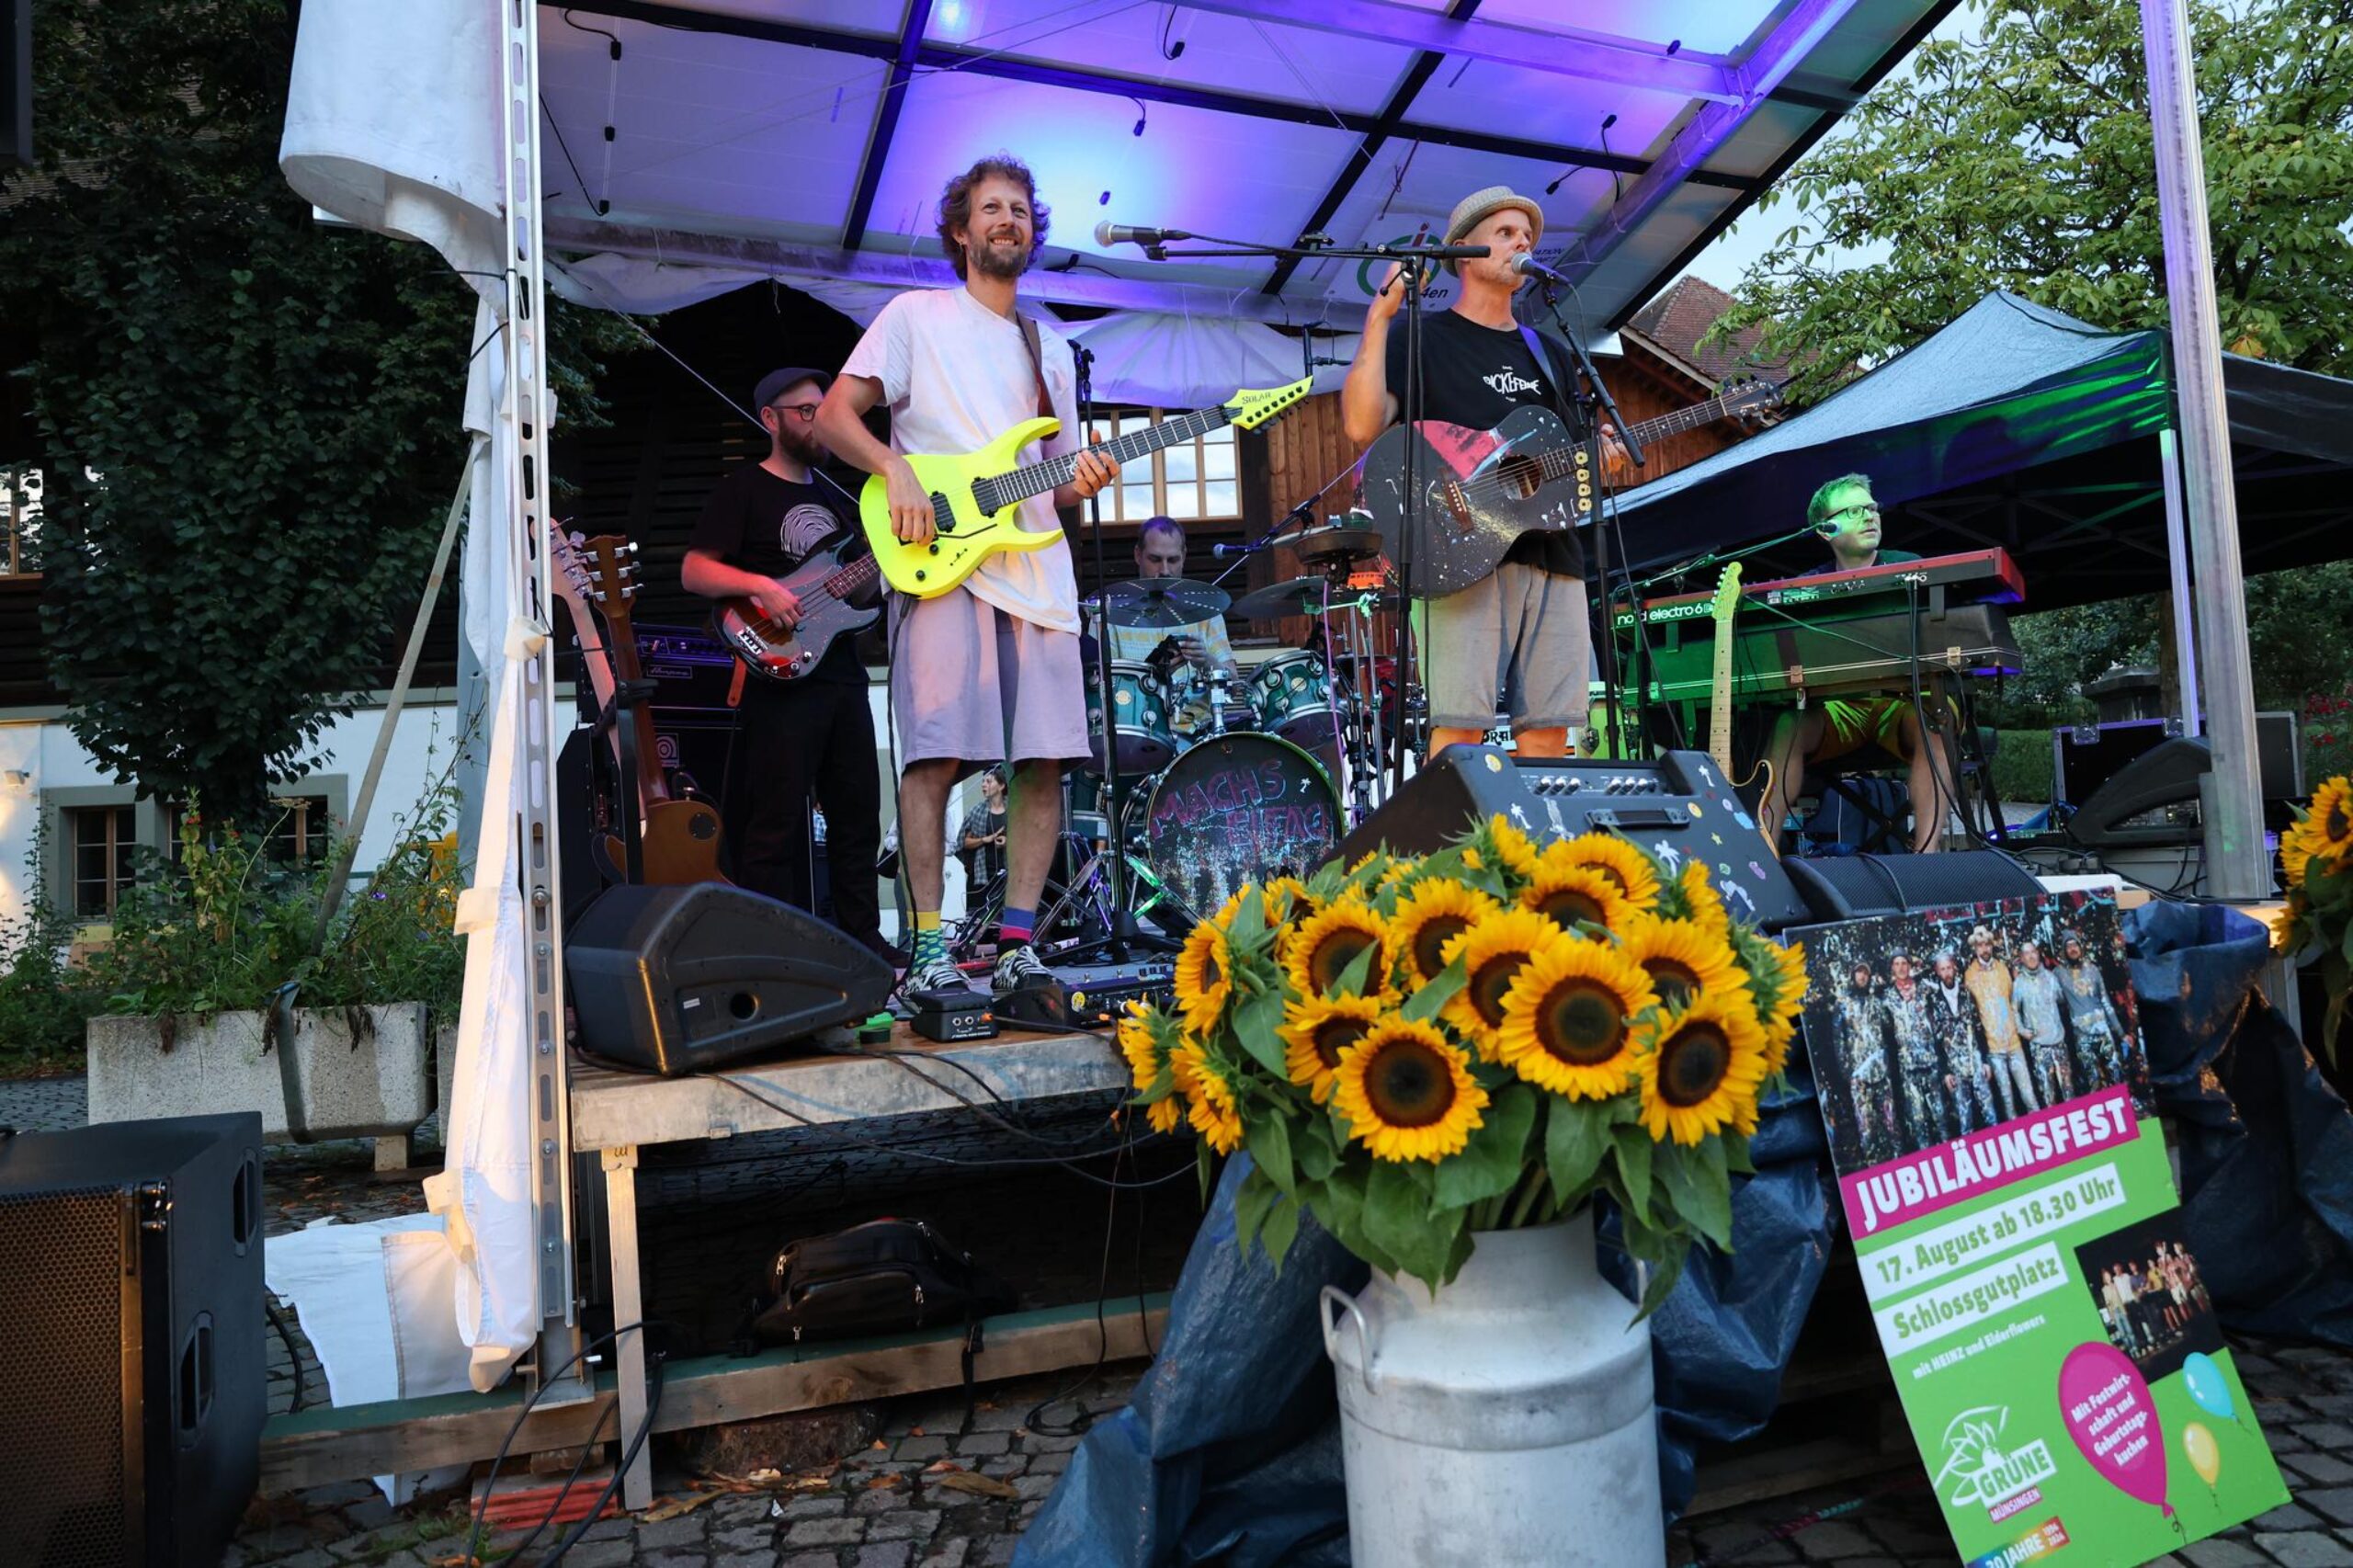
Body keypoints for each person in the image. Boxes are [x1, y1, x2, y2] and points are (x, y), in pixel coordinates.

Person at [817, 153, 1117, 999]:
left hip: (1038, 573)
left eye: (1019, 209)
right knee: (936, 755)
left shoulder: (1050, 349)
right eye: (991, 208)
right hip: (944, 566)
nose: (1007, 220)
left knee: (1044, 761)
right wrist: (895, 469)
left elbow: (1058, 480)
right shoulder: (916, 317)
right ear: (960, 230)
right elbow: (835, 417)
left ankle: (1017, 946)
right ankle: (927, 951)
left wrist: (1086, 479)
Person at [1339, 185, 1589, 760]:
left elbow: (1570, 458)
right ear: (1463, 253)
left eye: (1526, 236)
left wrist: (1603, 454)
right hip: (1454, 549)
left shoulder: (1550, 352)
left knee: (1550, 733)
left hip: (1553, 552)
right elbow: (1360, 424)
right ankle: (1452, 827)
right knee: (1460, 733)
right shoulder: (1422, 338)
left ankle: (1532, 827)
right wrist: (1380, 316)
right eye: (1505, 233)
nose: (1522, 243)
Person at [681, 365, 891, 960]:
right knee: (774, 821)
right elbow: (694, 570)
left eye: (823, 410)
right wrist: (761, 587)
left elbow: (853, 590)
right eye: (806, 411)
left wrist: (891, 571)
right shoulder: (743, 490)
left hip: (842, 674)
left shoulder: (837, 497)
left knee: (858, 815)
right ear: (770, 419)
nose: (818, 421)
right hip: (779, 678)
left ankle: (862, 942)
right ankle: (772, 949)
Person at [1758, 474, 1950, 854]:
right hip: (1838, 710)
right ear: (1825, 530)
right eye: (1854, 511)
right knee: (1787, 726)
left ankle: (1926, 858)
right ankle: (1763, 854)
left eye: (1871, 508)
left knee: (1936, 723)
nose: (1869, 516)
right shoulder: (1805, 586)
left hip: (1901, 702)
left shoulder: (1911, 566)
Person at [1104, 516, 1242, 736]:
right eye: (1155, 559)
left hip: (1199, 737)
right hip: (1137, 735)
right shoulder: (1110, 614)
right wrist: (1154, 675)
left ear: (1184, 556)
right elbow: (1099, 691)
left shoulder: (1206, 610)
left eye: (1173, 560)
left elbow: (1234, 687)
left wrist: (1206, 661)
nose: (1165, 570)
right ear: (1138, 555)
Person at [1964, 925, 2038, 1123]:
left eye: (1987, 944)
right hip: (1994, 1048)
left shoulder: (2002, 968)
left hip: (2014, 1043)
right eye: (1980, 945)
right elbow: (1972, 1014)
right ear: (1975, 948)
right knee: (2007, 1100)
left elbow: (2013, 1001)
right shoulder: (1970, 975)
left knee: (2029, 1094)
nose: (1984, 949)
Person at [1833, 961, 1896, 1165]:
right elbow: (1838, 1041)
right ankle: (1874, 1167)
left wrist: (1882, 991)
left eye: (1866, 973)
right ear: (1853, 976)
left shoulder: (1875, 1001)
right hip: (1859, 1078)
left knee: (1891, 1124)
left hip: (1881, 1074)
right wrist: (1848, 1074)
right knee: (1866, 1130)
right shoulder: (1842, 1004)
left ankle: (1899, 1162)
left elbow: (1889, 1026)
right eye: (1859, 973)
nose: (1863, 977)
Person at [1884, 953, 1951, 1145]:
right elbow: (1887, 1033)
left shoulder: (1925, 988)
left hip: (1930, 1062)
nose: (1901, 967)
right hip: (1908, 1068)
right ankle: (1926, 1153)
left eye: (1904, 963)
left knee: (1940, 1115)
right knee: (1918, 1119)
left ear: (1910, 965)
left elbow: (1939, 1016)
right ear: (1892, 968)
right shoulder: (1887, 997)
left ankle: (1948, 1150)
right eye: (1897, 964)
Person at [1927, 950, 1996, 1133]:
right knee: (1965, 1120)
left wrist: (1985, 1061)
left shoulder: (1967, 993)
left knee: (1990, 1112)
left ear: (1955, 968)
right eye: (1943, 969)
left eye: (1949, 968)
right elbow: (1936, 1040)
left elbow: (1979, 1028)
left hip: (1975, 1061)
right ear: (1937, 972)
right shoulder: (1933, 1000)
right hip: (1955, 1066)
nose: (1947, 973)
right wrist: (1945, 1071)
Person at [2058, 929, 2127, 1090]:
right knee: (2094, 1081)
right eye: (2068, 946)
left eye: (2075, 945)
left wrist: (2121, 1032)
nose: (2073, 949)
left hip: (2103, 1031)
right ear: (2064, 951)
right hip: (2082, 1037)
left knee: (2116, 1075)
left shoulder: (2093, 970)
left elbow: (2105, 1001)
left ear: (2080, 947)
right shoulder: (2059, 974)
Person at [2012, 939, 2072, 1108]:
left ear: (2038, 954)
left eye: (2033, 952)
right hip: (2039, 1047)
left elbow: (2062, 1001)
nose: (2031, 956)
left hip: (2059, 1042)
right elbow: (2014, 1010)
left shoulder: (2051, 978)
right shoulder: (2019, 984)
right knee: (2048, 1096)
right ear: (2022, 958)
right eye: (2027, 953)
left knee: (2069, 1091)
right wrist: (2021, 1030)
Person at [957, 766, 1010, 892]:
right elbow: (962, 842)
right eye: (983, 781)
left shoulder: (1013, 811)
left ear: (1001, 786)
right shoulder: (976, 812)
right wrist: (984, 840)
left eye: (988, 781)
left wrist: (1008, 842)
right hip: (980, 877)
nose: (983, 785)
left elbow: (1026, 842)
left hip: (1008, 877)